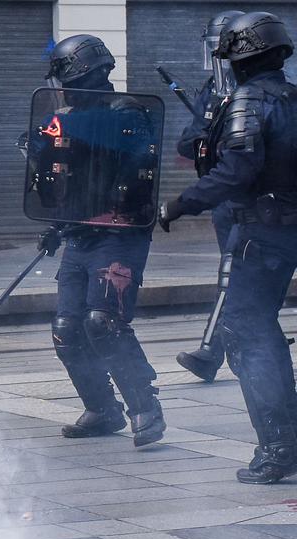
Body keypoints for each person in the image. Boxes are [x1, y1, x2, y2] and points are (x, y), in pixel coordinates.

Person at [160, 12, 297, 483]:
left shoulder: (248, 101)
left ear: (240, 60)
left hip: (260, 233)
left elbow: (236, 170)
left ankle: (278, 448)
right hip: (283, 231)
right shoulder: (292, 98)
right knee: (263, 332)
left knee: (247, 334)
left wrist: (181, 204)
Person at [33, 35, 166, 447]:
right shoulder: (66, 119)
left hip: (118, 234)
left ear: (82, 73)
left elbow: (138, 172)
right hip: (79, 234)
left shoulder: (128, 114)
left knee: (103, 322)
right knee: (67, 327)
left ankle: (145, 406)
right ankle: (102, 408)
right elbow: (64, 180)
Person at [175, 10, 245, 382]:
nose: (218, 59)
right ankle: (224, 349)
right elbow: (186, 142)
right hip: (222, 199)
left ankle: (211, 351)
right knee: (239, 277)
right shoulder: (210, 92)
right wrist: (207, 133)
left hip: (255, 199)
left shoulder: (270, 91)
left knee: (233, 273)